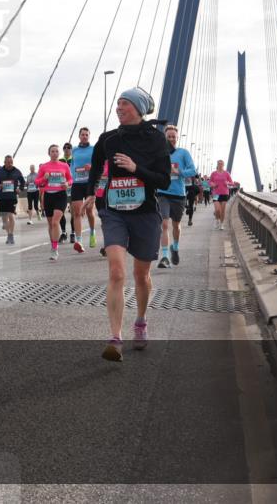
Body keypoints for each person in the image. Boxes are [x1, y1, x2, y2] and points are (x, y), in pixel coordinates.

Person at [91, 87, 171, 362]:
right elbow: (94, 168)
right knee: (116, 271)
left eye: (123, 103)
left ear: (137, 108)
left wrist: (136, 169)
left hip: (146, 212)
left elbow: (163, 181)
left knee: (141, 275)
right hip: (114, 212)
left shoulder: (156, 140)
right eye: (117, 103)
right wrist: (92, 195)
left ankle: (140, 321)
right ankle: (115, 338)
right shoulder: (108, 139)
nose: (118, 107)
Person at [156, 125, 197, 268]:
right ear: (165, 138)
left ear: (177, 138)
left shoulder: (183, 153)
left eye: (174, 137)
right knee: (164, 224)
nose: (172, 139)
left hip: (179, 194)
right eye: (169, 137)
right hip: (163, 193)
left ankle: (176, 247)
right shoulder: (159, 154)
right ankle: (165, 257)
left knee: (176, 226)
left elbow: (193, 170)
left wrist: (179, 172)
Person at [34, 144, 73, 261]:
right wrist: (44, 179)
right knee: (51, 224)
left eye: (57, 151)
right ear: (49, 153)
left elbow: (70, 179)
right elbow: (37, 182)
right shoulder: (44, 167)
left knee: (56, 222)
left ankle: (55, 249)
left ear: (59, 153)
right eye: (52, 151)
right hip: (48, 196)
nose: (55, 153)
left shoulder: (64, 165)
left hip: (60, 195)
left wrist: (67, 184)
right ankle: (53, 245)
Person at [69, 127, 98, 253]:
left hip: (89, 183)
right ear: (79, 136)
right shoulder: (74, 150)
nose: (84, 136)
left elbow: (98, 164)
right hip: (77, 183)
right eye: (82, 134)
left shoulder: (93, 149)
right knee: (77, 213)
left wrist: (91, 167)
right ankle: (79, 241)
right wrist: (71, 179)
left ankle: (92, 232)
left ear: (89, 136)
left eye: (87, 134)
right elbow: (72, 166)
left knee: (89, 210)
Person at [0, 155, 26, 244]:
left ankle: (11, 235)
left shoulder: (17, 171)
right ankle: (8, 234)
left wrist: (20, 189)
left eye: (11, 162)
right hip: (2, 197)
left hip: (12, 197)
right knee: (4, 218)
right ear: (4, 162)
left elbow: (23, 182)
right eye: (8, 162)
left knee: (10, 215)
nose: (10, 164)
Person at [209, 160, 234, 230]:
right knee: (217, 210)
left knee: (222, 210)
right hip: (216, 193)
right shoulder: (213, 173)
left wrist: (228, 183)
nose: (220, 165)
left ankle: (222, 224)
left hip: (224, 193)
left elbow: (232, 182)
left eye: (221, 164)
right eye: (219, 164)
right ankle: (217, 220)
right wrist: (212, 184)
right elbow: (210, 181)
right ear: (217, 165)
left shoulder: (226, 173)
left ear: (223, 165)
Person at [59, 142, 75, 244]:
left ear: (71, 149)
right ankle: (63, 232)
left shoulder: (74, 159)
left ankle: (73, 233)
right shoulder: (60, 160)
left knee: (73, 211)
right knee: (60, 211)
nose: (66, 149)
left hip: (73, 187)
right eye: (65, 148)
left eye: (69, 148)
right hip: (62, 187)